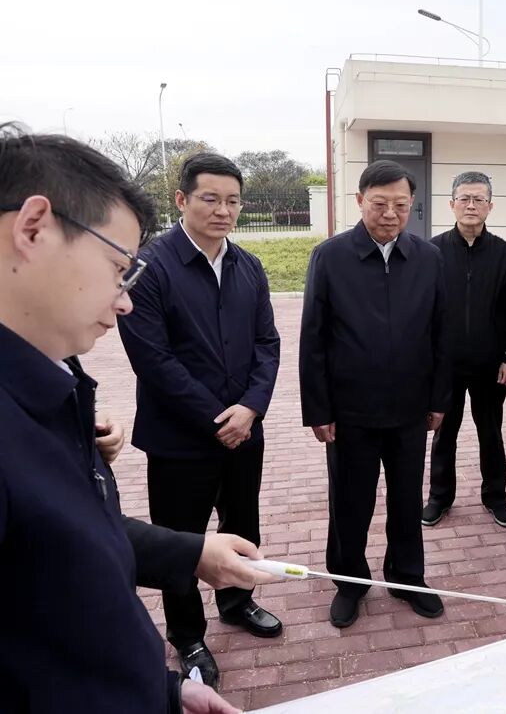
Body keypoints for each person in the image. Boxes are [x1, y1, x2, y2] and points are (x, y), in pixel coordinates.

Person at [0, 122, 249, 712]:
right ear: (33, 227)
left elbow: (61, 550)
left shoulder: (51, 380)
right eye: (118, 267)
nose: (124, 298)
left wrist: (157, 689)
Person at [118, 153, 283, 686]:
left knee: (241, 524)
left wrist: (252, 407)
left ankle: (237, 602)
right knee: (181, 541)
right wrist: (219, 417)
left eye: (232, 200)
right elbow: (154, 360)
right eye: (210, 198)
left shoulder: (248, 266)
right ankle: (187, 637)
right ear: (182, 199)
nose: (223, 210)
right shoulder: (150, 267)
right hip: (180, 440)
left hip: (243, 432)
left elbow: (267, 343)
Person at [300, 159, 449, 629]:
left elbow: (441, 335)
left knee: (407, 501)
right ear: (360, 200)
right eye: (379, 203)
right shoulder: (331, 257)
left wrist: (439, 399)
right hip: (350, 413)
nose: (390, 213)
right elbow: (313, 337)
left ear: (411, 206)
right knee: (350, 502)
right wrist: (318, 409)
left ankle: (408, 578)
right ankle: (349, 583)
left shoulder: (427, 258)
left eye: (400, 205)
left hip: (409, 411)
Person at [422, 171, 506, 528]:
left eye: (478, 199)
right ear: (451, 204)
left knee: (490, 431)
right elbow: (422, 311)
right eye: (464, 198)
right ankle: (439, 497)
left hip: (489, 364)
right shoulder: (431, 251)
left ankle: (495, 496)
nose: (470, 205)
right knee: (443, 433)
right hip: (445, 365)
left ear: (490, 206)